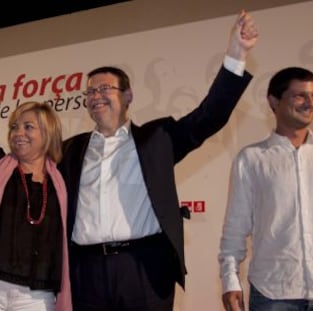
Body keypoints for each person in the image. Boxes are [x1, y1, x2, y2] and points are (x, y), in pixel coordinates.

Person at [59, 10, 258, 311]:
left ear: (128, 96)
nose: (95, 95)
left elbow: (208, 117)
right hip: (85, 272)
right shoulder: (69, 150)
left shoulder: (157, 139)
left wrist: (236, 54)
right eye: (90, 91)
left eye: (105, 88)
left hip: (145, 269)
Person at [218, 67, 313, 311]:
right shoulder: (252, 159)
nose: (309, 103)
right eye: (300, 96)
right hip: (274, 295)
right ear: (274, 101)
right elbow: (235, 227)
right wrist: (229, 280)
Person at [0, 101, 72, 310]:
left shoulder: (63, 180)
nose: (18, 133)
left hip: (36, 296)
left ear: (48, 132)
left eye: (28, 127)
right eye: (14, 127)